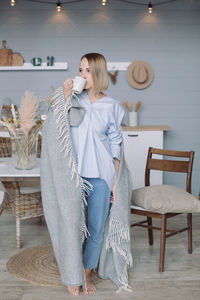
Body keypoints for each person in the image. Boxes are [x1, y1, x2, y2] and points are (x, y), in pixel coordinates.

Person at [62, 53, 125, 295]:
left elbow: (116, 146)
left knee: (96, 228)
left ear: (97, 74)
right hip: (74, 176)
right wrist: (66, 97)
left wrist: (114, 182)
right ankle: (71, 273)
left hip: (101, 176)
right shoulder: (73, 101)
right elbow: (59, 128)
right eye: (80, 70)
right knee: (71, 226)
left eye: (87, 71)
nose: (81, 75)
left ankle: (87, 275)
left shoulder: (111, 106)